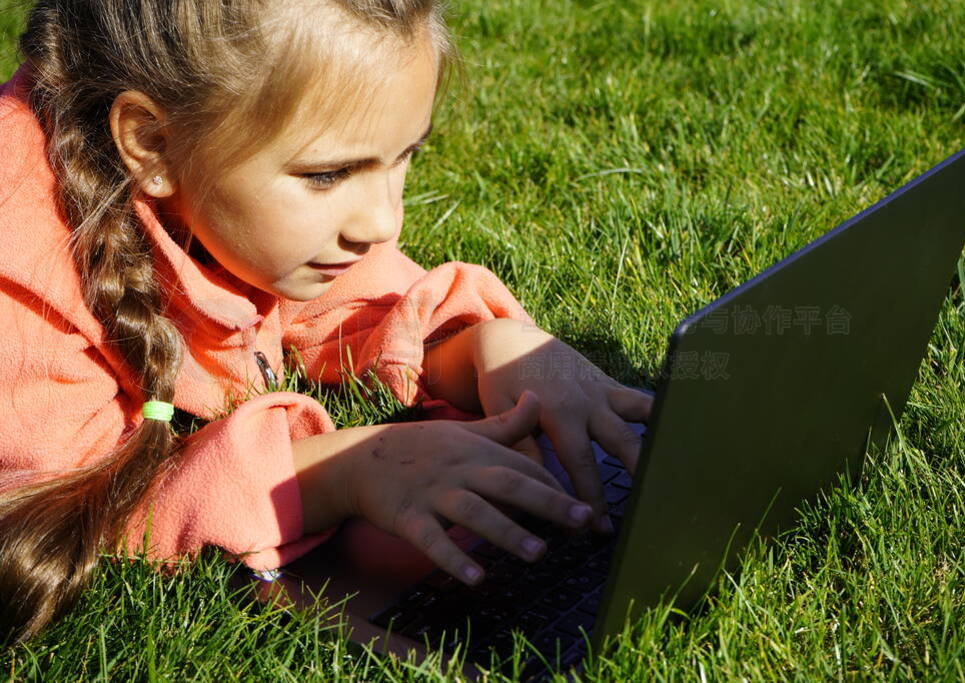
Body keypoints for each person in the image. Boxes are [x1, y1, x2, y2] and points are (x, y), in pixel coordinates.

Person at [0, 0, 653, 643]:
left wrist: (482, 345)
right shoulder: (17, 285)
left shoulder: (239, 198)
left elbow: (347, 299)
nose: (383, 223)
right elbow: (79, 512)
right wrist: (334, 473)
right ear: (151, 143)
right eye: (328, 174)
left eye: (405, 156)